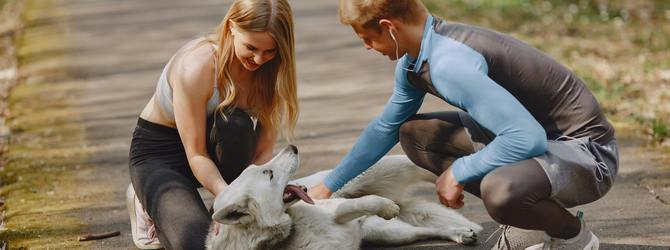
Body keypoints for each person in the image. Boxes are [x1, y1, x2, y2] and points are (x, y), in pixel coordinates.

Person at [307, 1, 618, 249]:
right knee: (415, 135)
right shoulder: (416, 60)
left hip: (587, 155)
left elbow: (527, 137)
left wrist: (459, 171)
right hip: (545, 145)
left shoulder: (448, 65)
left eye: (366, 38)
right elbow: (385, 127)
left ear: (390, 28)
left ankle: (571, 236)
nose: (366, 47)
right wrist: (329, 185)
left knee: (500, 192)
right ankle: (535, 217)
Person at [126, 0, 298, 249]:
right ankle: (146, 199)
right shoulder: (198, 65)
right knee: (199, 242)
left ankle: (212, 208)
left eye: (270, 51)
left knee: (235, 127)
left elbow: (261, 154)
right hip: (161, 155)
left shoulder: (273, 72)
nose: (259, 59)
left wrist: (250, 203)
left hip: (220, 143)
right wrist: (228, 198)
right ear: (231, 27)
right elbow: (195, 153)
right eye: (251, 47)